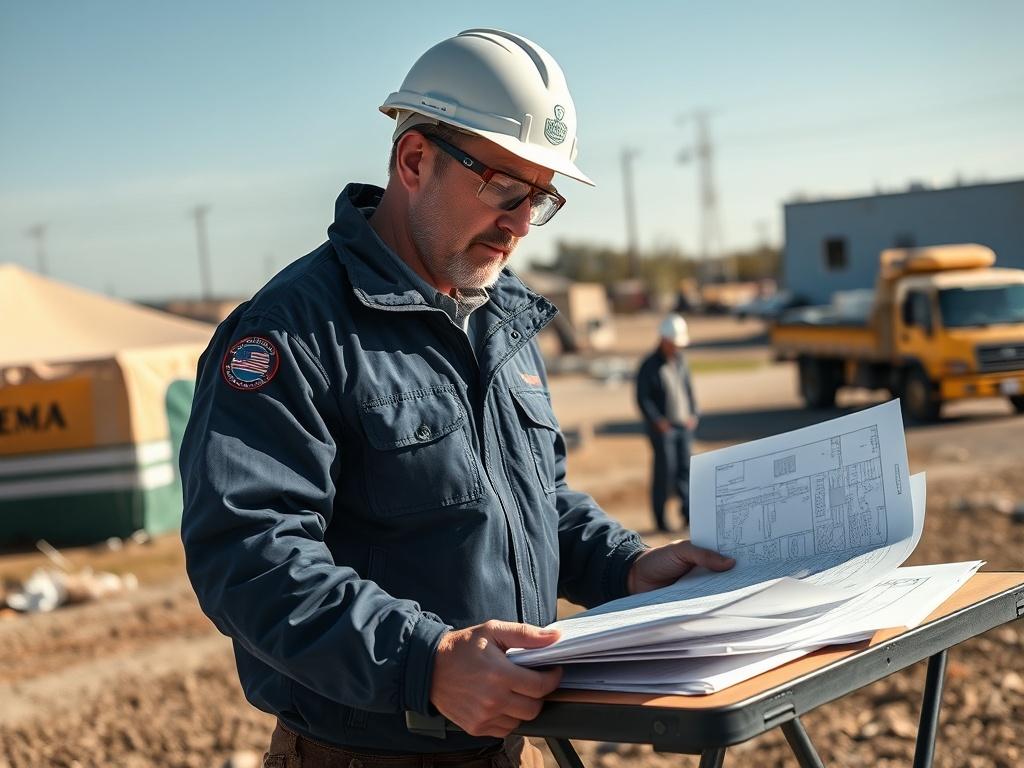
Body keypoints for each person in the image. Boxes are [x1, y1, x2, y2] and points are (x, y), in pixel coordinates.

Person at [179, 29, 733, 768]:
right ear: (415, 161)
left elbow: (533, 498)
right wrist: (427, 661)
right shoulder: (295, 332)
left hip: (513, 744)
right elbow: (249, 555)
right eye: (507, 191)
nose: (522, 225)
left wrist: (625, 568)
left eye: (541, 198)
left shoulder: (498, 318)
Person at [636, 314, 699, 532]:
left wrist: (693, 414)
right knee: (664, 473)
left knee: (685, 471)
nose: (676, 348)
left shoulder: (681, 361)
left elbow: (689, 390)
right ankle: (660, 521)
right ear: (664, 340)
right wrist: (658, 422)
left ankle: (689, 516)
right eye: (674, 344)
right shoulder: (649, 366)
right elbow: (642, 398)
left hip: (684, 427)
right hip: (663, 431)